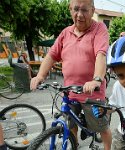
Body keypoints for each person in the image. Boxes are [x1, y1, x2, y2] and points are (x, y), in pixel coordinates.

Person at [30, 0, 112, 149]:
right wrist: (40, 75)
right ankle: (74, 146)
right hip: (70, 92)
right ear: (70, 10)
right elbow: (52, 55)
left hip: (91, 93)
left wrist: (97, 80)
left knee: (102, 128)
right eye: (76, 9)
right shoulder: (65, 32)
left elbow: (101, 55)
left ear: (92, 11)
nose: (79, 14)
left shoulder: (99, 28)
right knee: (71, 125)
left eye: (85, 10)